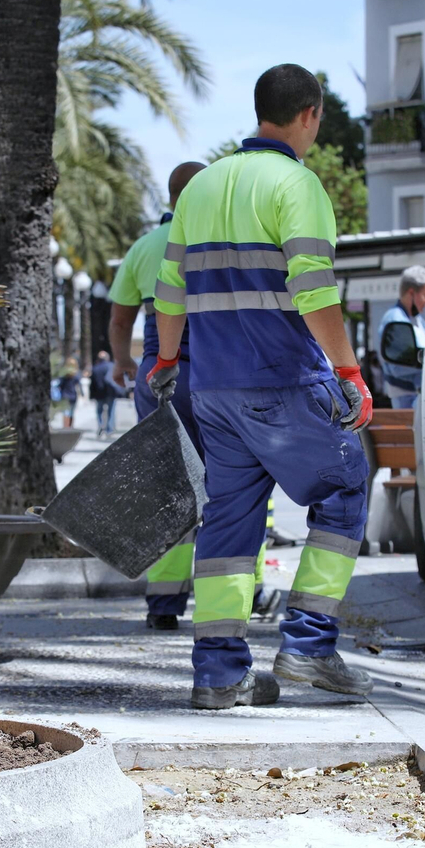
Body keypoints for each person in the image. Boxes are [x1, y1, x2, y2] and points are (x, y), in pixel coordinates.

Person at [150, 63, 375, 710]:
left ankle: (219, 675)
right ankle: (308, 645)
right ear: (310, 114)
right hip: (280, 383)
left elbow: (170, 293)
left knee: (229, 524)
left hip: (212, 390)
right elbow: (313, 286)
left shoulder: (201, 188)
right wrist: (350, 373)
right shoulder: (295, 184)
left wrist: (168, 361)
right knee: (343, 487)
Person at [109, 162, 283, 632]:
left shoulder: (143, 247)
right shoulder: (221, 238)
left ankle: (163, 603)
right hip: (215, 370)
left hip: (158, 375)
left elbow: (121, 318)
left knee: (170, 485)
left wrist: (123, 363)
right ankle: (241, 596)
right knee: (238, 483)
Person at [377, 266, 425, 408]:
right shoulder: (396, 319)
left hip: (418, 396)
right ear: (411, 293)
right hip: (409, 400)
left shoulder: (417, 319)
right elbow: (399, 365)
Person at [90, 349, 118, 435]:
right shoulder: (112, 366)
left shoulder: (95, 368)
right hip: (110, 392)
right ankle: (109, 428)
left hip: (99, 393)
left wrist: (91, 395)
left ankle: (101, 426)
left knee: (99, 411)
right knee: (111, 411)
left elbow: (92, 383)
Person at [57, 360, 80, 427]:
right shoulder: (76, 375)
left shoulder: (64, 375)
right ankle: (70, 427)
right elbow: (78, 385)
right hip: (73, 396)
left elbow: (59, 385)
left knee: (66, 413)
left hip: (65, 396)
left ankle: (65, 427)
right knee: (72, 412)